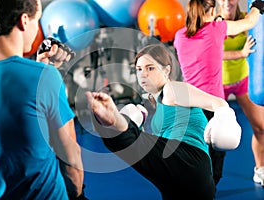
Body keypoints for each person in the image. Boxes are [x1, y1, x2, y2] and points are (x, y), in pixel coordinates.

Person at [85, 44, 241, 199]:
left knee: (127, 139)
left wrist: (225, 116)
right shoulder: (157, 104)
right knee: (131, 129)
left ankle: (116, 124)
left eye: (150, 68)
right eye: (139, 69)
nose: (143, 74)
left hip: (189, 159)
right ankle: (116, 125)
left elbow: (219, 103)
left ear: (166, 70)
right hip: (182, 177)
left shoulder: (173, 89)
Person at [0, 0, 84, 199]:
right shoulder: (43, 78)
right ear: (24, 21)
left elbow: (8, 135)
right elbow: (70, 158)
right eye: (37, 21)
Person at [173, 0, 264, 188]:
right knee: (216, 154)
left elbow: (204, 44)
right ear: (213, 9)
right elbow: (249, 22)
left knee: (196, 152)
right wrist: (257, 5)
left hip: (190, 104)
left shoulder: (179, 36)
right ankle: (209, 188)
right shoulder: (216, 28)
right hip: (215, 105)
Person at [217, 0, 264, 186]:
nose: (227, 2)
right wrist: (241, 53)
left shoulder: (248, 20)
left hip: (244, 81)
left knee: (261, 127)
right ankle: (207, 174)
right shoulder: (212, 22)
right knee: (209, 132)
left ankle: (260, 169)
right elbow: (212, 52)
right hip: (218, 84)